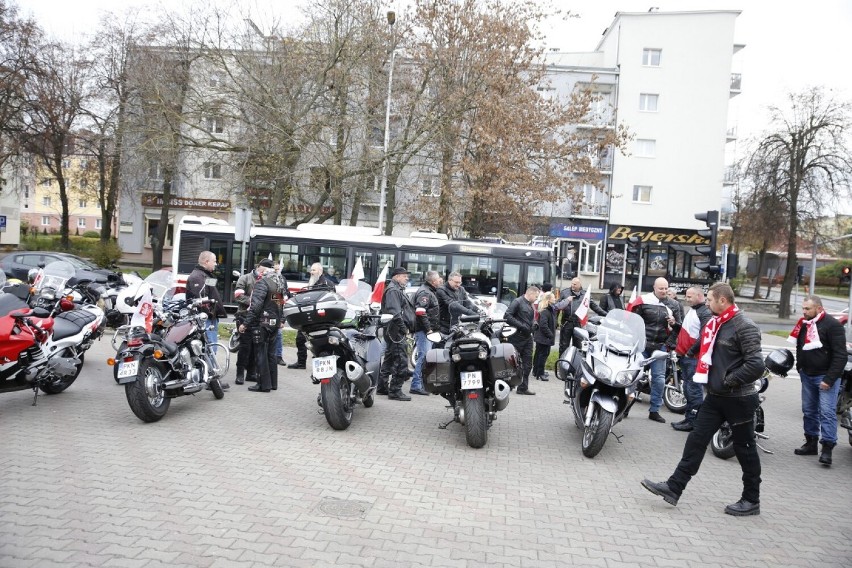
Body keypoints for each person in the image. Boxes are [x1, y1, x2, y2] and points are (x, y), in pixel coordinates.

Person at [641, 282, 766, 516]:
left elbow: (756, 365)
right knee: (696, 440)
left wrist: (728, 380)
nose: (706, 303)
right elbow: (706, 345)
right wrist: (689, 352)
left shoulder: (744, 326)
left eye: (709, 299)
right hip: (716, 397)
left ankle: (751, 499)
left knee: (745, 449)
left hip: (738, 398)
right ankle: (674, 487)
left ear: (722, 300)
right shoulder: (716, 322)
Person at [789, 295, 847, 466]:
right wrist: (800, 367)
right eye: (803, 308)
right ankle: (811, 443)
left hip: (825, 377)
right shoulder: (805, 323)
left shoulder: (833, 326)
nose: (804, 311)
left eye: (808, 309)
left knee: (827, 413)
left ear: (819, 309)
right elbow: (800, 347)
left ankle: (827, 448)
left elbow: (840, 355)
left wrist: (829, 379)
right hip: (807, 374)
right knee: (808, 411)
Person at [631, 277, 682, 423]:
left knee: (659, 379)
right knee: (633, 375)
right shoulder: (644, 301)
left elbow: (679, 327)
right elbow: (634, 322)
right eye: (661, 288)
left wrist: (669, 342)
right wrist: (635, 340)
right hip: (642, 344)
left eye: (666, 288)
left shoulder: (674, 305)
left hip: (660, 346)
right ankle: (625, 406)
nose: (664, 291)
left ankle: (654, 411)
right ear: (654, 287)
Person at [240, 259, 285, 393]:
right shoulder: (277, 283)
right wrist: (280, 320)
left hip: (263, 322)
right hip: (274, 323)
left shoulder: (262, 283)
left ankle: (262, 384)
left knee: (260, 353)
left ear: (263, 271)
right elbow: (280, 305)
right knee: (271, 353)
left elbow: (256, 306)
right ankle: (272, 383)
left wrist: (245, 324)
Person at [671, 286, 712, 432]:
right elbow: (687, 330)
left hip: (693, 358)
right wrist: (675, 325)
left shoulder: (704, 313)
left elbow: (704, 337)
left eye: (690, 296)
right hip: (687, 357)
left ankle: (693, 421)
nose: (686, 299)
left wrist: (690, 352)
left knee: (693, 390)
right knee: (688, 389)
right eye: (686, 296)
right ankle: (689, 419)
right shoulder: (694, 310)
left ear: (700, 296)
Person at [186, 250, 229, 389]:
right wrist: (210, 313)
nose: (216, 264)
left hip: (211, 318)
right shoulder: (198, 277)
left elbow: (211, 295)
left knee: (211, 349)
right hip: (206, 320)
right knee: (210, 349)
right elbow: (201, 301)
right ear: (206, 262)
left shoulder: (205, 275)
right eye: (214, 261)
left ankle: (211, 379)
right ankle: (213, 382)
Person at [377, 267, 417, 401]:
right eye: (404, 276)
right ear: (397, 276)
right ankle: (395, 391)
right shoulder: (393, 290)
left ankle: (382, 387)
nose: (407, 278)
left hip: (393, 330)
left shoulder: (395, 289)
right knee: (401, 360)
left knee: (389, 359)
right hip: (395, 331)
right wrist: (403, 329)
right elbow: (395, 313)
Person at [289, 262, 332, 370]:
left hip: (320, 318)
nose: (311, 272)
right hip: (308, 316)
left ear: (320, 271)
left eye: (314, 270)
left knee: (320, 341)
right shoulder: (312, 282)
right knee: (300, 339)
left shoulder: (326, 283)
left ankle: (322, 364)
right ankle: (301, 362)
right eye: (311, 270)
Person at [411, 270, 442, 396]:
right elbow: (420, 311)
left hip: (428, 331)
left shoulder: (429, 291)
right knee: (423, 357)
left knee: (426, 357)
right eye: (439, 279)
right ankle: (416, 385)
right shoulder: (425, 292)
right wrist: (428, 329)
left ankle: (422, 384)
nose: (441, 280)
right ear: (433, 281)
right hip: (425, 332)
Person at [233, 262, 264, 384]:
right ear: (257, 268)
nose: (264, 273)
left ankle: (251, 373)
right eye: (262, 271)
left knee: (255, 347)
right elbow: (238, 295)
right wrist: (253, 302)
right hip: (244, 316)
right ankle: (239, 373)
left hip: (258, 318)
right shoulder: (245, 278)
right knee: (245, 347)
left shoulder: (266, 280)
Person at [556, 277, 606, 355]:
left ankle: (575, 365)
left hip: (578, 323)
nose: (573, 285)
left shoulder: (585, 294)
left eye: (575, 284)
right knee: (563, 346)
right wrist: (556, 322)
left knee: (578, 346)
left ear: (580, 284)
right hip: (566, 322)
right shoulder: (564, 293)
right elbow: (557, 307)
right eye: (572, 283)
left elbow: (594, 307)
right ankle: (561, 364)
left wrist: (606, 314)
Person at [506, 286, 540, 395]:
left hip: (528, 337)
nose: (536, 299)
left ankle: (523, 387)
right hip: (516, 337)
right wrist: (521, 326)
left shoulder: (530, 304)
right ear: (530, 293)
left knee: (528, 364)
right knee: (512, 363)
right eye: (536, 296)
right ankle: (507, 385)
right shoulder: (517, 302)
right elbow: (507, 316)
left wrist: (535, 324)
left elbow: (532, 318)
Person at [532, 291, 556, 382]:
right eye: (553, 297)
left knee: (539, 354)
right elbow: (543, 325)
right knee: (543, 354)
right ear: (549, 300)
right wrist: (550, 335)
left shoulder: (548, 309)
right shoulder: (546, 311)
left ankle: (536, 371)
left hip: (542, 337)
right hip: (544, 337)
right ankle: (540, 373)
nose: (555, 299)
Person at [271, 261, 290, 367]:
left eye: (278, 269)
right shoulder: (267, 281)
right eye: (275, 269)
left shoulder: (283, 279)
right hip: (268, 313)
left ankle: (278, 356)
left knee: (278, 334)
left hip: (277, 313)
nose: (277, 271)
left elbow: (284, 301)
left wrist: (283, 320)